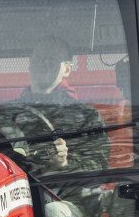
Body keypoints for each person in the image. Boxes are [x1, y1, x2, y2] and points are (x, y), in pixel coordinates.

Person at [16, 37, 109, 173]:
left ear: (67, 69)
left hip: (67, 193)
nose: (42, 65)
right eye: (37, 60)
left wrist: (64, 164)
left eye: (50, 61)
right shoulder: (4, 114)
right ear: (29, 65)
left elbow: (98, 166)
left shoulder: (87, 116)